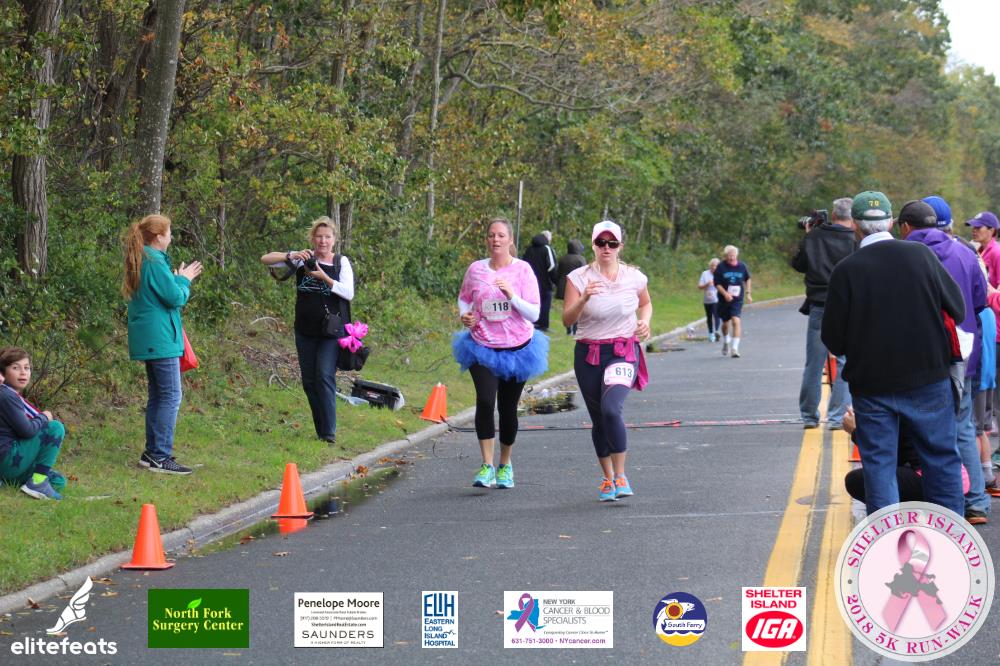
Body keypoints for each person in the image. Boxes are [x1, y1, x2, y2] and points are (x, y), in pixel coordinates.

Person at [822, 191, 966, 516]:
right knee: (940, 458)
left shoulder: (846, 270)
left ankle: (887, 540)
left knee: (879, 465)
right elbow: (957, 309)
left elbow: (833, 339)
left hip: (872, 385)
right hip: (928, 376)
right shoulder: (921, 256)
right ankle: (951, 537)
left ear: (855, 226)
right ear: (890, 222)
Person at [899, 199, 990, 524]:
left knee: (929, 431)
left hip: (923, 354)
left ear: (907, 226)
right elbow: (980, 302)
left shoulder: (905, 256)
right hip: (964, 350)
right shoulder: (965, 253)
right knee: (964, 425)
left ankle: (942, 501)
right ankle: (976, 500)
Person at [453, 218, 548, 489]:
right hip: (482, 346)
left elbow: (535, 313)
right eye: (491, 235)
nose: (495, 239)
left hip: (517, 349)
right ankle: (487, 466)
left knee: (507, 409)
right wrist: (465, 315)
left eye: (501, 235)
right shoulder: (476, 269)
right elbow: (464, 297)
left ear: (510, 240)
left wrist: (512, 296)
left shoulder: (523, 270)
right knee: (485, 401)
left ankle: (505, 465)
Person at [563, 220, 652, 502]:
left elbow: (645, 303)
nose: (606, 248)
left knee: (611, 409)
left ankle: (621, 475)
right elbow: (567, 319)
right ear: (593, 245)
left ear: (620, 247)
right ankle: (607, 478)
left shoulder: (634, 277)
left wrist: (645, 322)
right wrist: (584, 298)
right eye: (601, 242)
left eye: (612, 243)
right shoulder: (578, 278)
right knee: (599, 418)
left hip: (622, 351)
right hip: (588, 354)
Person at [261, 217, 354, 445]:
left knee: (324, 375)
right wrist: (291, 255)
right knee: (309, 381)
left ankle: (329, 433)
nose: (323, 241)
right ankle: (321, 430)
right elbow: (266, 259)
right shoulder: (303, 259)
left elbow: (348, 292)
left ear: (334, 239)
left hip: (331, 331)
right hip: (304, 330)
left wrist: (325, 278)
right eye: (319, 236)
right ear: (313, 238)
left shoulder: (341, 262)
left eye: (327, 237)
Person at [124, 214, 202, 475]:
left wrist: (176, 280)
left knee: (158, 395)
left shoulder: (145, 259)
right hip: (161, 338)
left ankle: (152, 454)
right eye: (169, 232)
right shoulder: (155, 262)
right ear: (158, 237)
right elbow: (175, 298)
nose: (172, 237)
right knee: (170, 396)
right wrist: (184, 279)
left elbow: (163, 294)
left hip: (153, 338)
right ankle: (160, 455)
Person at [791, 198, 856, 429]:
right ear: (852, 217)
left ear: (833, 214)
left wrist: (808, 236)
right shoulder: (854, 239)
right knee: (844, 361)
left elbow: (798, 265)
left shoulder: (815, 236)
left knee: (814, 363)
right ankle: (837, 416)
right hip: (845, 305)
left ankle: (809, 415)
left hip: (819, 304)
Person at [842, 408, 970, 504]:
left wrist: (856, 431)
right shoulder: (919, 400)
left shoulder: (896, 407)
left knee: (856, 480)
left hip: (935, 480)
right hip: (954, 476)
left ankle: (898, 522)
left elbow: (884, 458)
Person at [0, 348, 67, 499]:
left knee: (58, 481)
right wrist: (44, 417)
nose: (23, 373)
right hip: (6, 458)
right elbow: (27, 431)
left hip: (10, 462)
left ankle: (9, 482)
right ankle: (37, 483)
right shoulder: (6, 395)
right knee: (55, 427)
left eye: (27, 368)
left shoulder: (8, 394)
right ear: (3, 372)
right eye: (15, 368)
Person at [714, 245, 752, 357]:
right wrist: (725, 294)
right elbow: (717, 284)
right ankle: (726, 340)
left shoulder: (742, 266)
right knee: (725, 325)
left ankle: (734, 349)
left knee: (736, 321)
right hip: (724, 299)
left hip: (737, 299)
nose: (731, 258)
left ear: (737, 255)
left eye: (733, 256)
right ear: (725, 256)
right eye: (729, 256)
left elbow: (748, 279)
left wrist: (748, 293)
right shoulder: (721, 267)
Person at [522, 230, 557, 332]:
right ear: (548, 239)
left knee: (532, 302)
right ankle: (543, 325)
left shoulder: (529, 249)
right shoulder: (547, 249)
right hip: (545, 282)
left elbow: (523, 264)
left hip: (530, 282)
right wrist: (555, 280)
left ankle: (532, 323)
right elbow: (552, 267)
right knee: (545, 303)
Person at [556, 239, 587, 335]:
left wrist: (557, 283)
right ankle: (575, 329)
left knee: (567, 308)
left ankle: (569, 330)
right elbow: (584, 274)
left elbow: (558, 273)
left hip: (563, 286)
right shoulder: (580, 259)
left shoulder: (563, 259)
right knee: (577, 307)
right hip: (576, 286)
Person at [698, 258, 721, 342]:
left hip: (717, 299)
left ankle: (717, 331)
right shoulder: (705, 274)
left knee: (716, 315)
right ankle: (711, 333)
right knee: (709, 316)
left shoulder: (720, 274)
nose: (714, 267)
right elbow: (699, 287)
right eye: (712, 266)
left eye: (716, 266)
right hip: (707, 300)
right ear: (710, 266)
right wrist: (707, 284)